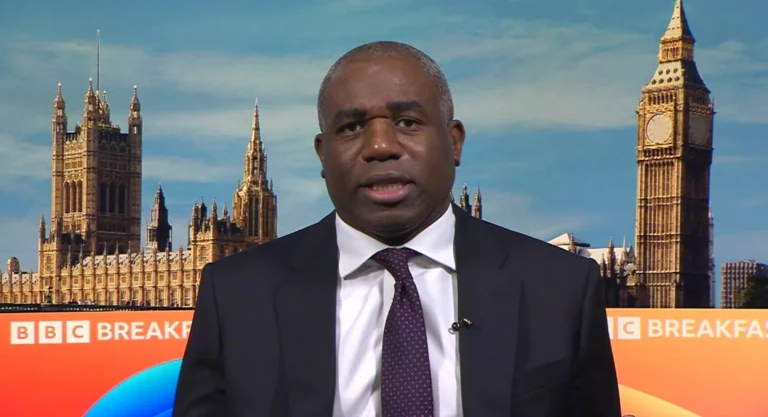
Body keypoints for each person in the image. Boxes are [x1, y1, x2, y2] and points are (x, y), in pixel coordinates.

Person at [173, 41, 621, 417]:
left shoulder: (559, 287)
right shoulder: (237, 293)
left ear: (454, 142)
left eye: (407, 122)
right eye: (352, 127)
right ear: (323, 155)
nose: (380, 146)